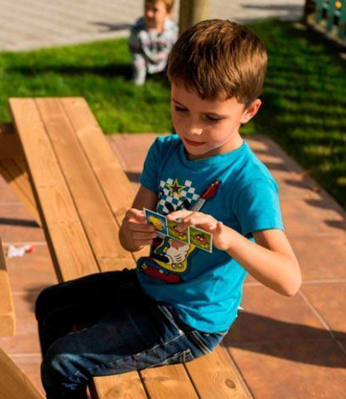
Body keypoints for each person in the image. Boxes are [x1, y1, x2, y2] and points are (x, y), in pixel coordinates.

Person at [35, 19, 302, 399]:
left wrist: (229, 239)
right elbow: (129, 239)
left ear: (249, 110)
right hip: (149, 286)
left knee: (63, 362)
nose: (191, 130)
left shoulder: (250, 183)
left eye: (211, 118)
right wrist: (133, 232)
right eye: (180, 108)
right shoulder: (164, 150)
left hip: (190, 321)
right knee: (50, 305)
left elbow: (290, 281)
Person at [129, 0, 178, 86]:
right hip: (146, 60)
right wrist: (139, 78)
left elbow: (175, 52)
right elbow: (136, 53)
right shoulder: (137, 30)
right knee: (138, 62)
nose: (149, 13)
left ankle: (168, 77)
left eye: (155, 10)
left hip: (165, 62)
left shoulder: (173, 30)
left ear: (168, 13)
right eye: (146, 8)